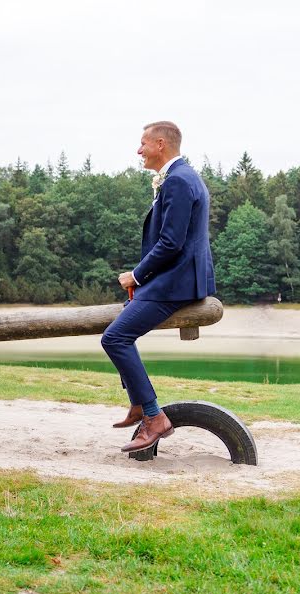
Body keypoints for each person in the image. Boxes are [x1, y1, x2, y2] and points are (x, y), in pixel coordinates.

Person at [102, 121, 216, 453]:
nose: (139, 151)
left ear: (161, 144)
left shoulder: (179, 180)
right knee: (123, 322)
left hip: (178, 283)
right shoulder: (181, 176)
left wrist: (136, 276)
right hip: (176, 279)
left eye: (143, 144)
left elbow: (170, 243)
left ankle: (153, 416)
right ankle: (139, 403)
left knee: (115, 337)